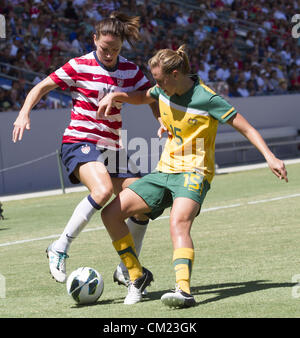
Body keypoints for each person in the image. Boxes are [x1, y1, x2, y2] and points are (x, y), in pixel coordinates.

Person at [96, 45, 288, 307]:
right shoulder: (162, 89)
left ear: (175, 74)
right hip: (164, 170)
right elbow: (144, 96)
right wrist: (118, 96)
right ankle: (136, 275)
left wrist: (270, 156)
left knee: (178, 221)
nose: (157, 85)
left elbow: (247, 128)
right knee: (110, 214)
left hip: (195, 173)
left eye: (161, 79)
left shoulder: (207, 99)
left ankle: (183, 290)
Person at [12, 12, 160, 287]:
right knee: (102, 190)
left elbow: (149, 96)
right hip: (80, 141)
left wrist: (161, 120)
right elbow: (42, 86)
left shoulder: (129, 70)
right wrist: (24, 112)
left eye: (115, 50)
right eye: (105, 48)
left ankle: (127, 267)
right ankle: (59, 247)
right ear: (94, 40)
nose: (109, 54)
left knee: (143, 203)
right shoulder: (79, 65)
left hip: (111, 146)